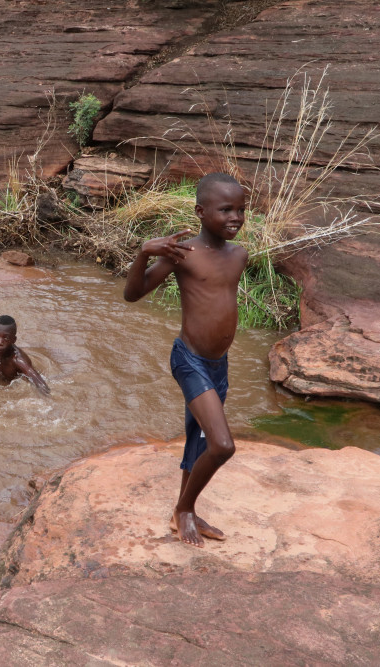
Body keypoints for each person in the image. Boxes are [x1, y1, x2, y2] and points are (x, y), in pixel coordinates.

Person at [123, 172, 248, 548]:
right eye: (226, 209)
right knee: (222, 445)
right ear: (200, 211)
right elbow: (134, 294)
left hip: (218, 363)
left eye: (242, 210)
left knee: (199, 437)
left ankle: (184, 510)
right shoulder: (184, 255)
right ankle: (185, 509)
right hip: (189, 360)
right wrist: (144, 253)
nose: (236, 217)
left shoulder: (239, 255)